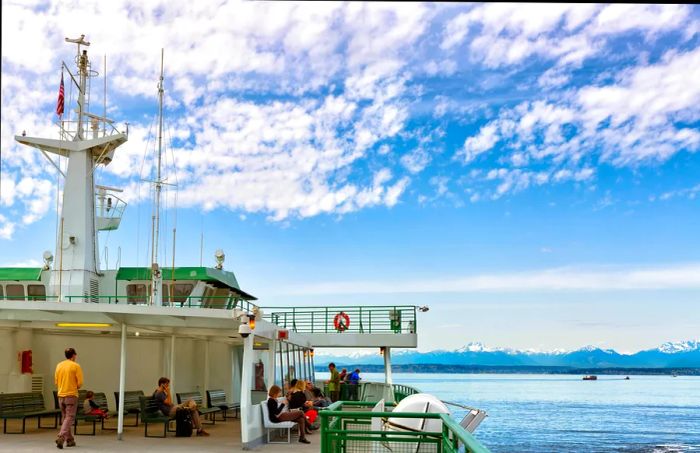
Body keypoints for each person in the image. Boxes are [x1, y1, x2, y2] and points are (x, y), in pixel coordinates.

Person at [54, 347, 83, 449]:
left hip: (60, 395)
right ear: (74, 355)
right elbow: (79, 383)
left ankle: (70, 440)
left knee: (65, 417)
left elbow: (56, 381)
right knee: (70, 417)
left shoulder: (59, 365)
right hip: (71, 395)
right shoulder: (76, 366)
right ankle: (61, 437)